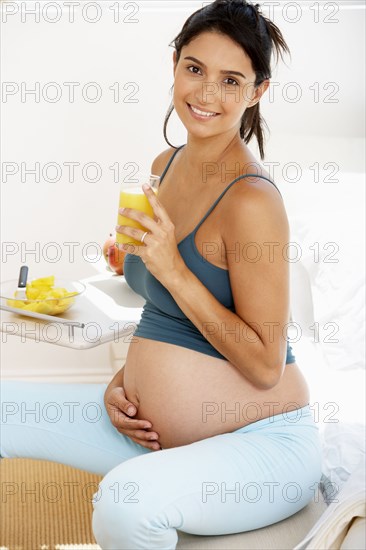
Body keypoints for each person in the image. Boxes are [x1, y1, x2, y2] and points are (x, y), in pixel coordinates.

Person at [1, 1, 322, 548]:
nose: (205, 94)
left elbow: (266, 364)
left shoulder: (252, 201)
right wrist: (132, 273)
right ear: (175, 64)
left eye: (231, 80)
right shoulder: (163, 167)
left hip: (262, 444)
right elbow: (160, 307)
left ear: (257, 93)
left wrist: (173, 269)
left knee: (123, 507)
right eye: (195, 69)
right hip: (147, 433)